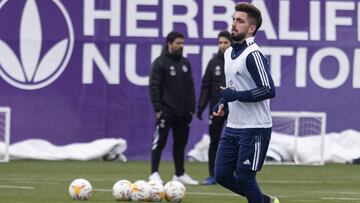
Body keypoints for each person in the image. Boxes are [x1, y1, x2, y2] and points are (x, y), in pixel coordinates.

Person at [212, 2, 279, 203]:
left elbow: (268, 89)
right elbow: (233, 87)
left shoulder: (254, 55)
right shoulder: (228, 53)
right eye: (233, 19)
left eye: (240, 21)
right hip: (233, 126)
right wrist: (223, 101)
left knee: (245, 176)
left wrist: (236, 96)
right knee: (221, 175)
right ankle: (266, 201)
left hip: (255, 129)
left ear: (251, 29)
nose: (234, 24)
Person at [148, 31, 199, 185]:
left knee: (180, 144)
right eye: (178, 43)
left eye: (182, 43)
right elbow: (154, 87)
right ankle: (154, 174)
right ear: (169, 44)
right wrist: (158, 108)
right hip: (166, 111)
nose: (180, 46)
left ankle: (179, 174)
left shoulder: (185, 63)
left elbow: (190, 87)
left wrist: (191, 109)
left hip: (183, 112)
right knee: (159, 142)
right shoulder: (160, 62)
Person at [196, 31, 231, 185]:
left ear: (231, 43)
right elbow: (205, 87)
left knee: (235, 141)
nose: (222, 46)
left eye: (225, 43)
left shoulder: (237, 60)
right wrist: (201, 106)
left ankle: (232, 173)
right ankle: (213, 175)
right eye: (220, 43)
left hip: (235, 109)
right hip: (216, 109)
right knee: (214, 142)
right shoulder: (213, 63)